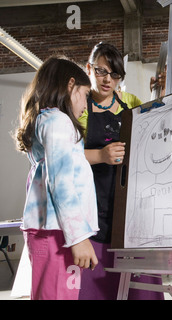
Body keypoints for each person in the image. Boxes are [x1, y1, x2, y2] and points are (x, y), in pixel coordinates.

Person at [78, 42, 163, 300]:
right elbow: (63, 158)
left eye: (115, 75)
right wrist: (101, 156)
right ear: (89, 68)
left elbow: (156, 131)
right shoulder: (78, 107)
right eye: (102, 71)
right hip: (91, 211)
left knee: (140, 291)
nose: (108, 80)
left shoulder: (130, 102)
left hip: (129, 210)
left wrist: (161, 92)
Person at [15, 56, 99, 300]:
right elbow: (60, 183)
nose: (86, 104)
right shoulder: (58, 121)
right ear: (70, 85)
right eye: (84, 94)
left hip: (56, 231)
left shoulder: (47, 121)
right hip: (58, 233)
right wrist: (78, 238)